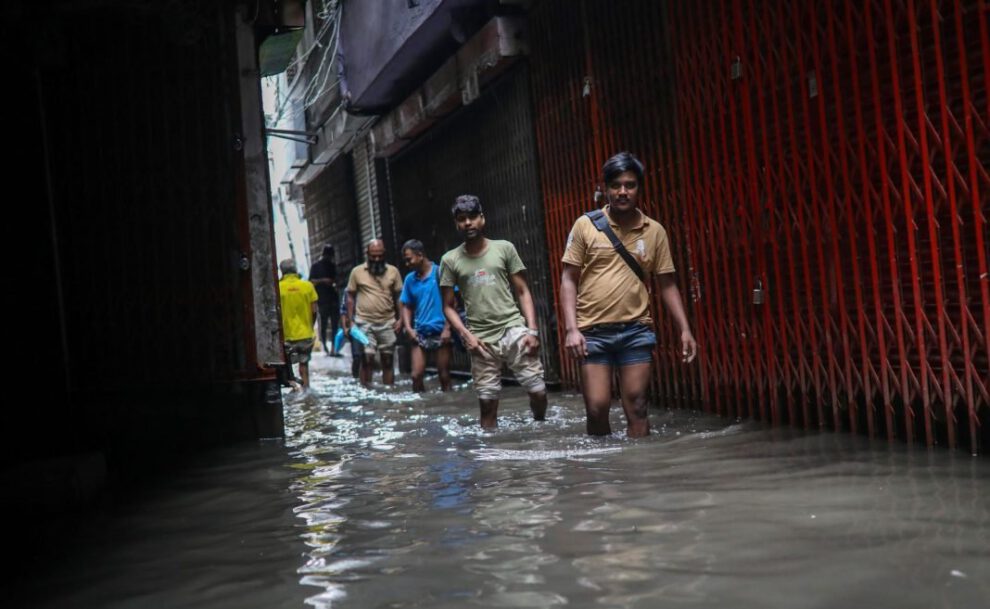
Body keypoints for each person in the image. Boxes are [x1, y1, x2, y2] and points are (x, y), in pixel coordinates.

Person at [560, 151, 697, 437]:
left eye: (630, 185)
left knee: (637, 405)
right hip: (593, 332)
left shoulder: (654, 231)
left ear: (639, 188)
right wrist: (572, 329)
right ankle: (603, 472)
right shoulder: (585, 226)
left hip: (636, 331)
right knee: (597, 408)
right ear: (606, 188)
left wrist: (685, 329)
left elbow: (667, 283)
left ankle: (641, 472)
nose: (623, 192)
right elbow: (568, 279)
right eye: (616, 185)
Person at [440, 195, 547, 429]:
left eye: (472, 217)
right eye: (461, 219)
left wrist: (532, 331)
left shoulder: (504, 248)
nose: (468, 223)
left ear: (482, 219)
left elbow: (522, 290)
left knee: (538, 392)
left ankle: (540, 428)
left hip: (514, 329)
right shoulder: (449, 260)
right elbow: (448, 306)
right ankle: (491, 458)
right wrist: (465, 335)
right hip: (480, 338)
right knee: (487, 405)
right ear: (457, 224)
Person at [345, 239, 403, 386]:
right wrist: (350, 321)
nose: (376, 259)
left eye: (379, 255)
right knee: (367, 358)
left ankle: (389, 391)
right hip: (364, 323)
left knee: (388, 360)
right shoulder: (357, 272)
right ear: (367, 254)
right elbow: (350, 296)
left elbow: (399, 297)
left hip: (388, 322)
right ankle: (366, 393)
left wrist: (401, 319)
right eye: (373, 256)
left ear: (384, 254)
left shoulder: (393, 271)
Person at [399, 239, 452, 392]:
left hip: (440, 330)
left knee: (444, 375)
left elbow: (452, 302)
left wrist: (447, 328)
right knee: (416, 376)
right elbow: (407, 305)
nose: (407, 264)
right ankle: (422, 408)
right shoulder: (410, 279)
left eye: (409, 259)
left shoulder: (439, 272)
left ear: (420, 255)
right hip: (420, 332)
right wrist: (409, 328)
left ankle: (448, 405)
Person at [278, 259, 319, 389]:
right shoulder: (308, 286)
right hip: (305, 333)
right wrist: (310, 326)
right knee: (304, 364)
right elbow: (314, 310)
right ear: (295, 270)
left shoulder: (277, 287)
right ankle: (306, 389)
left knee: (287, 367)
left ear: (282, 271)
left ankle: (294, 389)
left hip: (286, 335)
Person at [309, 244, 340, 356]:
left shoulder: (332, 266)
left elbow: (337, 279)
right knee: (324, 323)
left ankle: (333, 348)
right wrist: (323, 281)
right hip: (322, 299)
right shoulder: (316, 266)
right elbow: (311, 281)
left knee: (335, 323)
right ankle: (326, 347)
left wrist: (334, 283)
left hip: (333, 298)